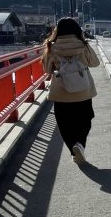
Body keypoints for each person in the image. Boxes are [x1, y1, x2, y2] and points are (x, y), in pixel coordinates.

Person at [42, 17, 101, 164]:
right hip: (83, 92)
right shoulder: (83, 45)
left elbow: (47, 69)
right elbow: (95, 63)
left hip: (61, 93)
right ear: (76, 30)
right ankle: (79, 144)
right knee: (85, 119)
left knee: (64, 124)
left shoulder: (51, 47)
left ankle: (73, 149)